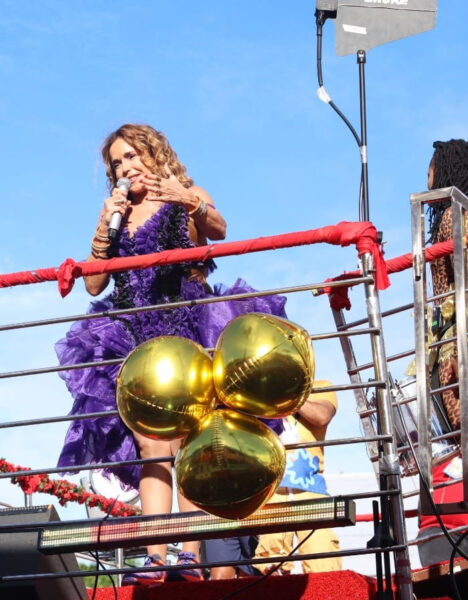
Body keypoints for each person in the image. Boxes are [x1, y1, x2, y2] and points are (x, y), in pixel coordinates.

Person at [55, 123, 287, 585]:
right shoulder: (117, 213)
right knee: (151, 445)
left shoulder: (183, 192)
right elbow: (94, 283)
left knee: (188, 443)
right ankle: (156, 558)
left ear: (153, 153)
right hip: (135, 340)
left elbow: (219, 228)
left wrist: (186, 199)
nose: (126, 166)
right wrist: (105, 224)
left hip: (186, 329)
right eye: (117, 163)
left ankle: (189, 550)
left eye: (132, 155)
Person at [416, 139, 468, 563]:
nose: (426, 174)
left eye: (430, 166)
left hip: (465, 352)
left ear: (445, 168)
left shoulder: (455, 215)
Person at [252, 381, 342, 575]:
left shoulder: (321, 386)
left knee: (323, 563)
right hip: (269, 493)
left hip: (312, 491)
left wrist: (285, 394)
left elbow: (322, 416)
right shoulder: (256, 391)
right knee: (270, 569)